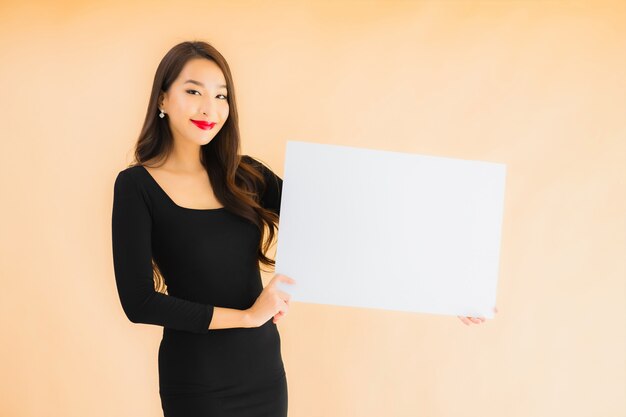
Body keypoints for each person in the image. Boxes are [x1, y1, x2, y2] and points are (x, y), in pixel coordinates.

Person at [111, 40, 295, 416]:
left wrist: (442, 286)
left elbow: (338, 226)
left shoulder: (248, 175)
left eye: (221, 95)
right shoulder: (137, 187)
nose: (209, 108)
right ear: (162, 99)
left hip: (264, 374)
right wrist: (247, 317)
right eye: (193, 91)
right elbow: (139, 302)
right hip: (197, 381)